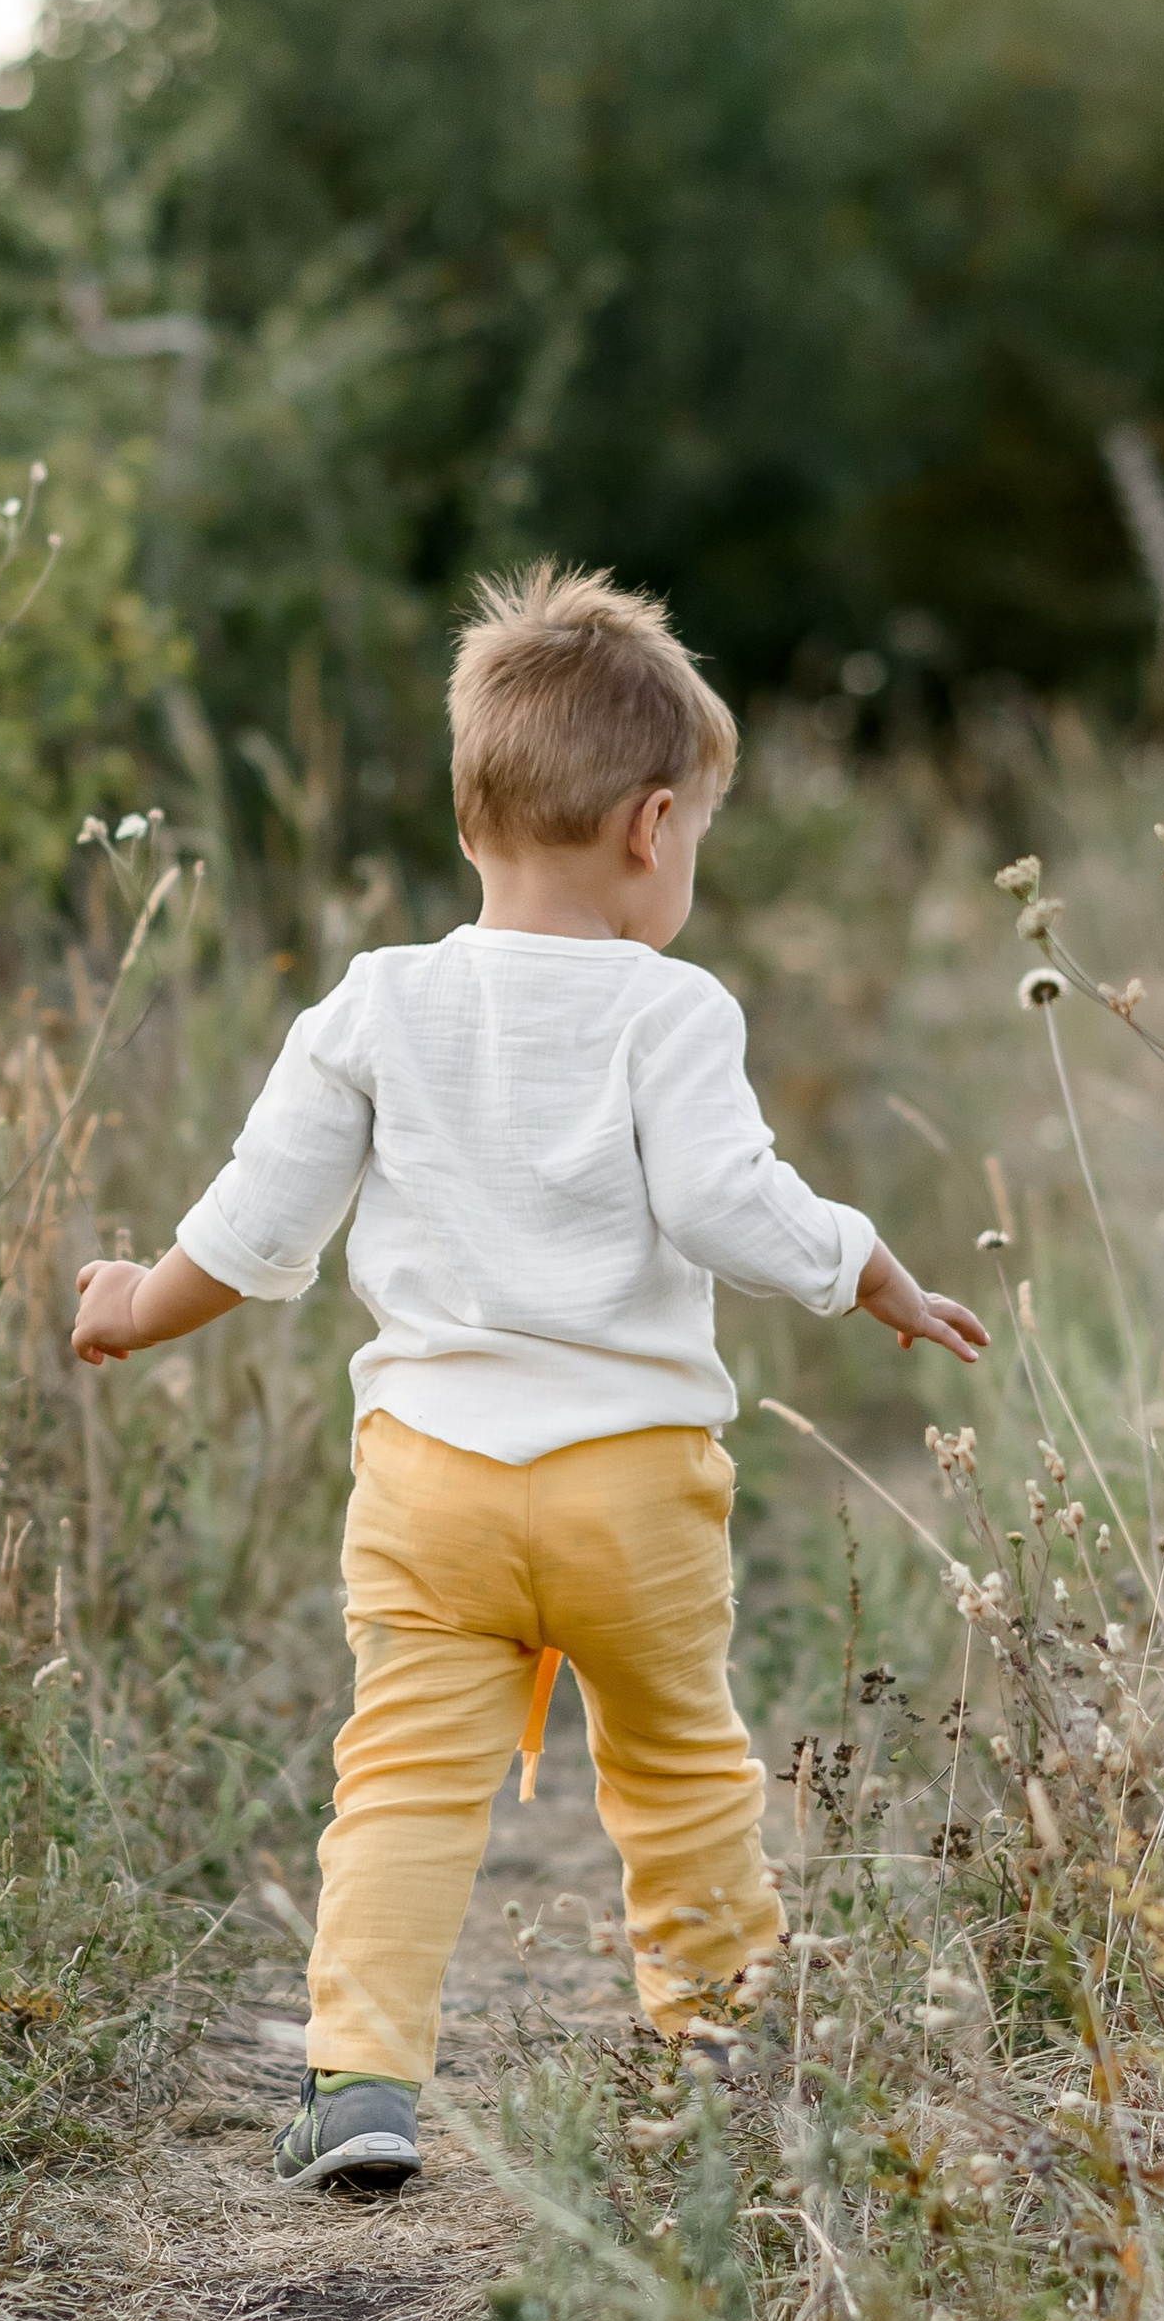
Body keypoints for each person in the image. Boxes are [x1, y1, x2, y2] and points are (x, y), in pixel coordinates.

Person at [72, 563, 985, 2191]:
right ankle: (716, 2036)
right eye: (693, 832)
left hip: (430, 1479)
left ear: (473, 813)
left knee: (405, 1783)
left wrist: (142, 1304)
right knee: (682, 1760)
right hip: (632, 1485)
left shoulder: (378, 1003)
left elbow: (260, 1214)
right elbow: (719, 1201)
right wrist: (867, 1267)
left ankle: (358, 2083)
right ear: (652, 827)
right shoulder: (671, 1008)